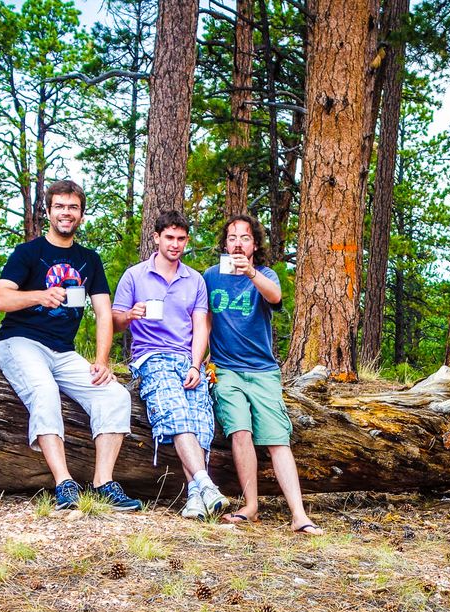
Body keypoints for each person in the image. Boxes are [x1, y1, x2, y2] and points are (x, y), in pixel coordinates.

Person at [0, 179, 141, 512]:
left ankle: (103, 483)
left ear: (82, 215)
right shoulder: (28, 253)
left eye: (73, 207)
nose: (66, 213)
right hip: (21, 342)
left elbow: (104, 312)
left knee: (114, 394)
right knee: (44, 391)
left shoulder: (88, 259)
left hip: (63, 351)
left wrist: (102, 360)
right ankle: (64, 483)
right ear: (48, 211)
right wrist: (40, 295)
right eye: (59, 206)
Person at [203, 215, 322, 535]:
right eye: (232, 238)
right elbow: (203, 322)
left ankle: (299, 515)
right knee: (240, 432)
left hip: (263, 371)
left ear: (255, 244)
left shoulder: (265, 274)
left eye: (244, 237)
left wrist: (251, 272)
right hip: (226, 370)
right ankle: (251, 506)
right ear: (224, 244)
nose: (238, 243)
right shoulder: (211, 276)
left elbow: (275, 298)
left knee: (276, 439)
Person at [112, 210, 228, 520]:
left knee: (201, 421)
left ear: (186, 241)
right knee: (175, 412)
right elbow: (114, 322)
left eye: (180, 239)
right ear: (157, 238)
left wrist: (195, 365)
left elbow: (201, 326)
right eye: (169, 238)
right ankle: (205, 483)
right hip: (151, 357)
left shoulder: (195, 280)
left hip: (186, 360)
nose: (175, 244)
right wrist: (130, 315)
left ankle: (194, 497)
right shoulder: (135, 275)